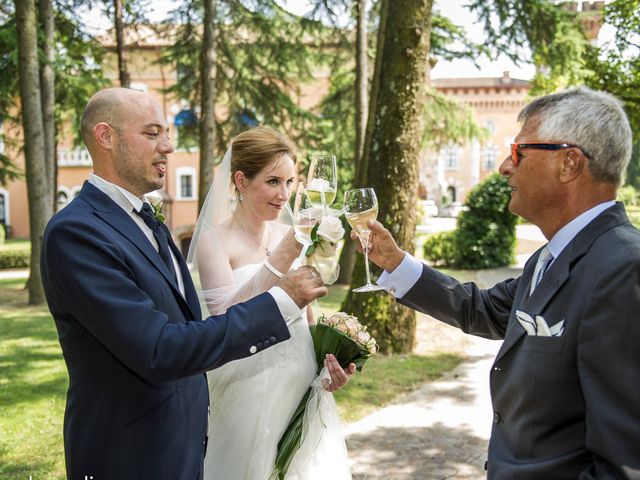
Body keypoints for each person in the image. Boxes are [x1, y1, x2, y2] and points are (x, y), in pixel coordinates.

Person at [40, 88, 332, 480]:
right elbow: (159, 348)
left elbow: (185, 325)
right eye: (152, 133)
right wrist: (282, 301)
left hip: (183, 442)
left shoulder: (147, 221)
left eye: (167, 133)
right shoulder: (77, 232)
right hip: (131, 454)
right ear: (106, 137)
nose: (168, 146)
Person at [362, 87, 640, 478]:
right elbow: (484, 309)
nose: (505, 167)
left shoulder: (624, 270)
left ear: (569, 163)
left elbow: (624, 463)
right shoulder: (551, 256)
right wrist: (394, 262)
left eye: (519, 153)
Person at [188, 126, 355, 480]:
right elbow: (225, 318)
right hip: (246, 389)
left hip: (300, 389)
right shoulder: (215, 243)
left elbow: (308, 321)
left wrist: (327, 366)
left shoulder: (291, 236)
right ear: (241, 181)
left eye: (290, 182)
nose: (284, 194)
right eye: (273, 181)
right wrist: (283, 256)